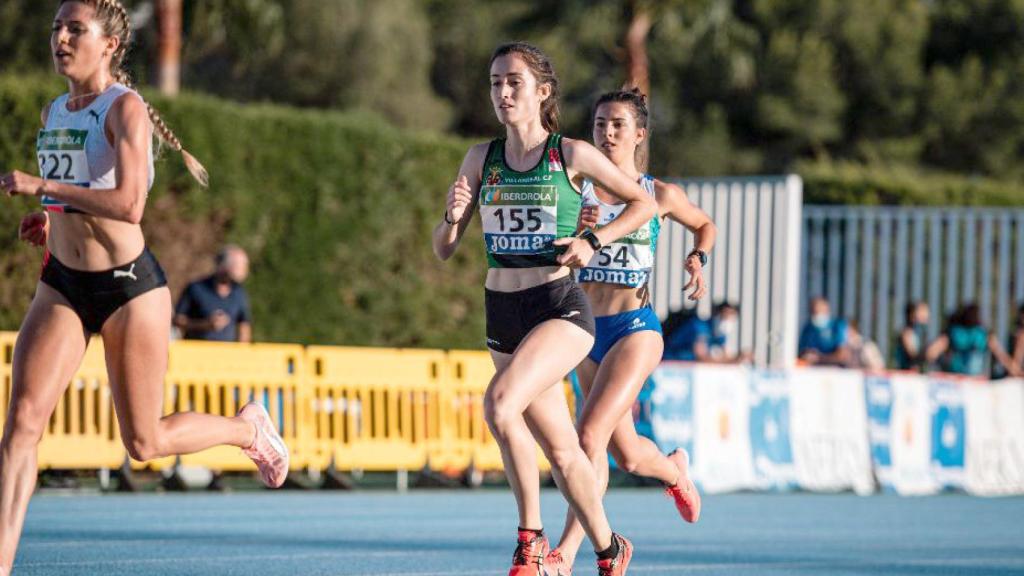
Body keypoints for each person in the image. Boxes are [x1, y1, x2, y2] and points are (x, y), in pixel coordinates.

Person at [0, 2, 288, 572]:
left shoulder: (124, 109)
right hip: (62, 283)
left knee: (144, 443)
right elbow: (81, 189)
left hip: (129, 289)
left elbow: (129, 204)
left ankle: (245, 428)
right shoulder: (54, 108)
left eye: (74, 29)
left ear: (108, 44)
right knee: (22, 427)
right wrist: (51, 215)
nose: (59, 37)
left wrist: (44, 186)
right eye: (56, 28)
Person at [432, 42, 657, 576]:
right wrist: (451, 215)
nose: (503, 92)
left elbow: (642, 202)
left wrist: (595, 240)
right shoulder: (479, 158)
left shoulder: (570, 155)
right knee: (563, 453)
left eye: (514, 82)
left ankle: (529, 542)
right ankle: (609, 549)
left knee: (501, 405)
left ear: (543, 92)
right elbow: (443, 248)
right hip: (501, 314)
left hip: (559, 308)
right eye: (494, 82)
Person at [545, 88, 714, 576]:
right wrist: (574, 228)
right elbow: (549, 248)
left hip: (635, 328)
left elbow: (705, 225)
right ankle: (673, 470)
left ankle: (568, 554)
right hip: (583, 330)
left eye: (617, 124)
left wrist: (697, 257)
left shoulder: (659, 195)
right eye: (599, 124)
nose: (607, 132)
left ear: (639, 134)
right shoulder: (576, 189)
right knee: (628, 455)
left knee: (588, 436)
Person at [173, 245, 253, 342]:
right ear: (223, 265)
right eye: (238, 265)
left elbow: (244, 326)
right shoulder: (196, 288)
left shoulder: (239, 293)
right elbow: (177, 321)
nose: (244, 270)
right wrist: (205, 325)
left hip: (225, 354)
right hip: (196, 352)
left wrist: (242, 353)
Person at [927, 303, 1020, 378]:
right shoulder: (982, 334)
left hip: (958, 379)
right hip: (969, 380)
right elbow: (1002, 357)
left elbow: (931, 353)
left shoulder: (955, 332)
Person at [798, 297, 850, 366]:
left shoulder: (837, 325)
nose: (816, 315)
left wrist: (819, 358)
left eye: (818, 311)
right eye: (813, 312)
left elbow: (842, 355)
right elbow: (803, 352)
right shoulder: (808, 328)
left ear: (826, 310)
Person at [894, 301, 931, 372]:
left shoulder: (920, 333)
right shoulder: (906, 333)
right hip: (906, 374)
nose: (926, 315)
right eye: (922, 311)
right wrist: (930, 353)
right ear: (912, 315)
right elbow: (913, 355)